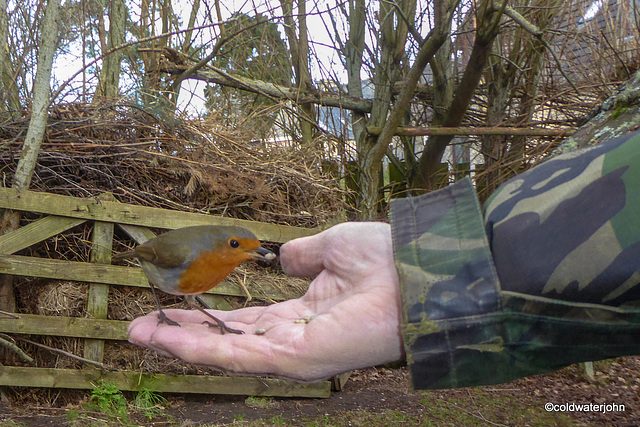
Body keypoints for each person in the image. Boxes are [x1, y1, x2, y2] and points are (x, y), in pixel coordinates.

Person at [128, 130, 640, 389]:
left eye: (250, 247)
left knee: (209, 306)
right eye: (240, 247)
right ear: (221, 245)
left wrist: (415, 280)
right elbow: (149, 255)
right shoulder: (180, 252)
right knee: (178, 300)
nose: (252, 253)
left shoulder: (225, 259)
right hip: (171, 275)